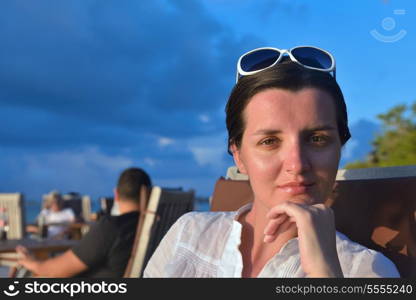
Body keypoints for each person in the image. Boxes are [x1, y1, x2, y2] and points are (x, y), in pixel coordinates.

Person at [144, 46, 400, 277]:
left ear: (339, 147)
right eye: (269, 141)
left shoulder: (367, 271)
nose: (297, 164)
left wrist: (325, 272)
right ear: (239, 156)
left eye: (317, 139)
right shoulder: (189, 235)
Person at [17, 167, 152, 277]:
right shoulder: (154, 227)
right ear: (148, 195)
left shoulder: (112, 227)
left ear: (116, 194)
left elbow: (54, 271)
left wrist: (33, 262)